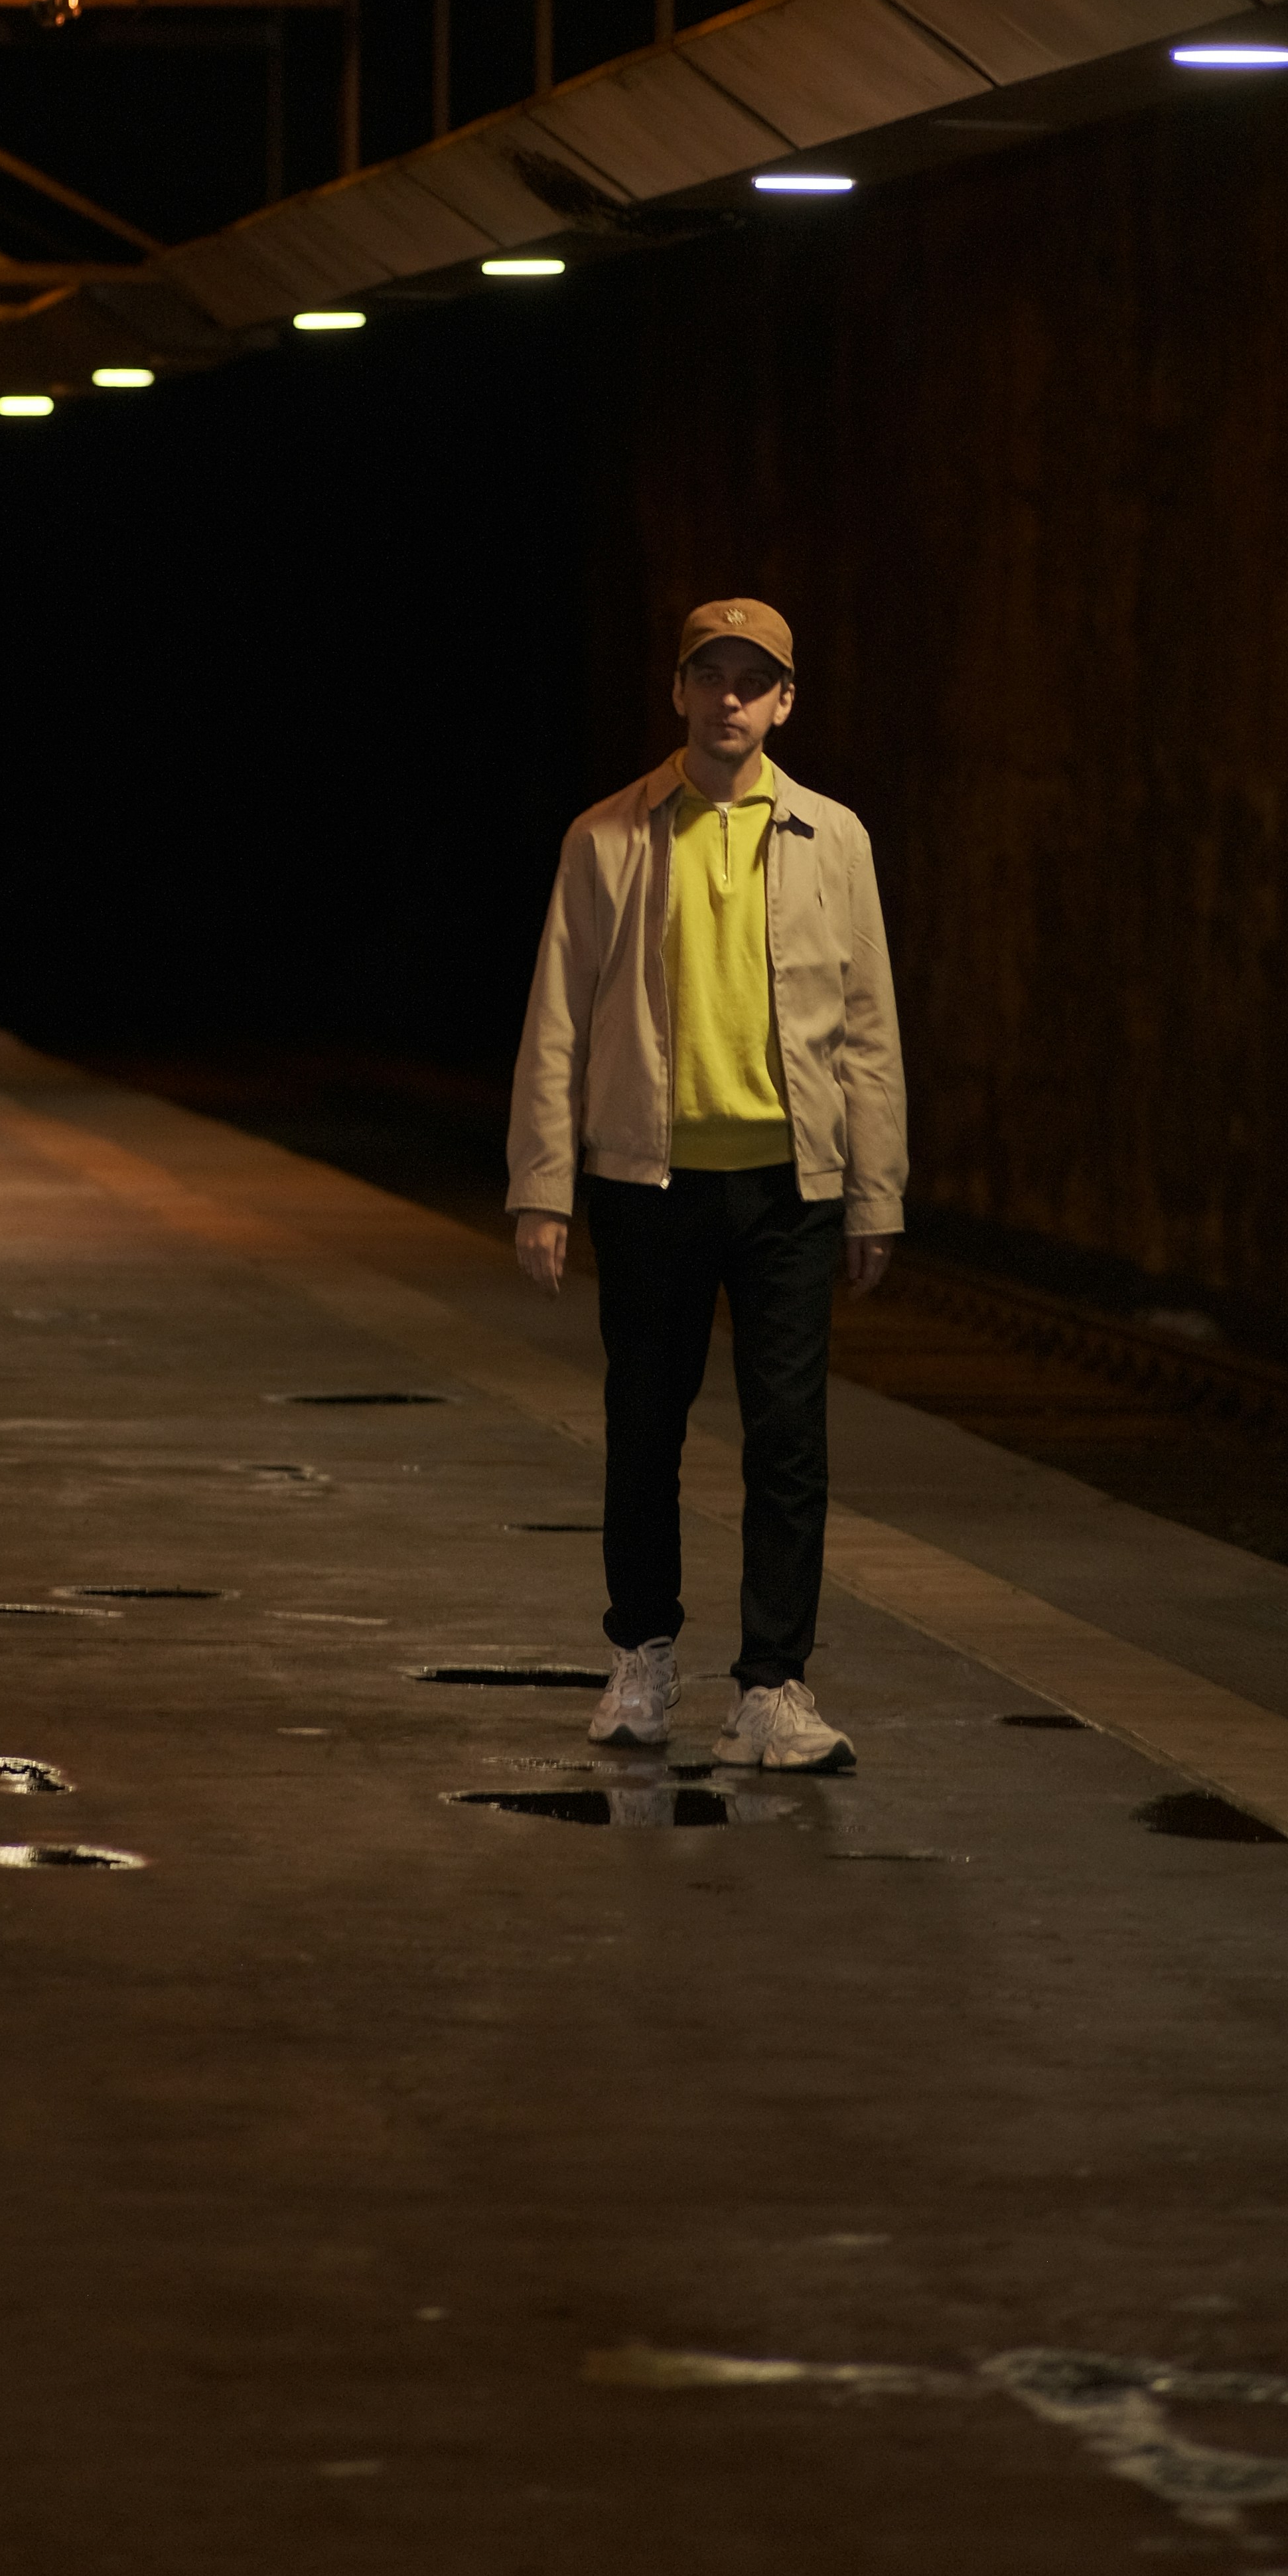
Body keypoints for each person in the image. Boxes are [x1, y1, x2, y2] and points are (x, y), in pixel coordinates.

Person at [506, 597, 906, 1773]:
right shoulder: (609, 838)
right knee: (645, 1426)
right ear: (678, 693)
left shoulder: (835, 840)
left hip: (788, 1187)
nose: (729, 699)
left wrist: (874, 1193)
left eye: (754, 681)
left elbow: (870, 1032)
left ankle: (774, 1687)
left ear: (785, 702)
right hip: (650, 1181)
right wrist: (544, 1186)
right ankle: (641, 1656)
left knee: (789, 1439)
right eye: (709, 677)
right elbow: (556, 1023)